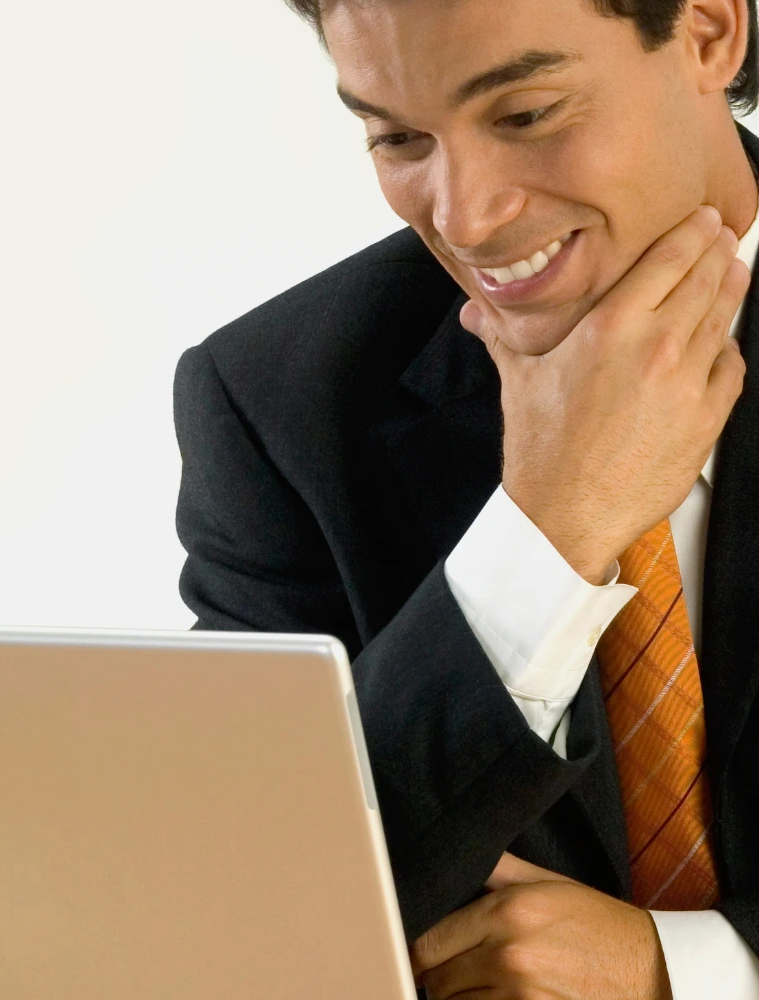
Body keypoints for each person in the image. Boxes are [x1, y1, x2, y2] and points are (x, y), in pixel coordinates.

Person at [172, 0, 759, 996]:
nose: (464, 214)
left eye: (525, 113)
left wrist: (685, 970)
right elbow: (250, 916)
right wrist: (547, 533)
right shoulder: (279, 404)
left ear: (706, 33)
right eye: (399, 137)